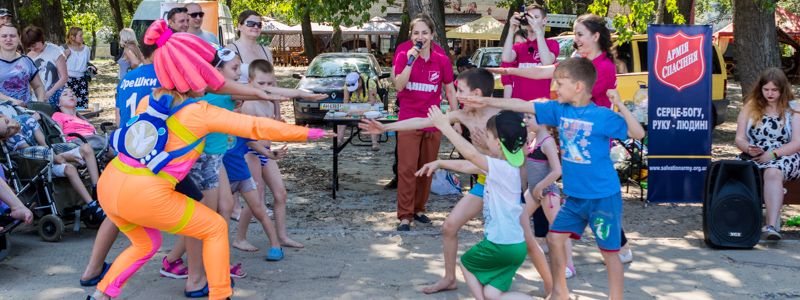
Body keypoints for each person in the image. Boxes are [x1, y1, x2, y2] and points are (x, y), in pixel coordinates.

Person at [88, 20, 326, 300]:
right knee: (213, 227)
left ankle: (101, 293)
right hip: (145, 194)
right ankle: (220, 294)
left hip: (111, 186)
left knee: (145, 244)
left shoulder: (150, 99)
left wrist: (267, 93)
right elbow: (257, 128)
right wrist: (311, 132)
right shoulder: (199, 113)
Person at [460, 57, 645, 300]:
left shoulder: (601, 116)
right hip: (576, 198)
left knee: (610, 252)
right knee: (554, 238)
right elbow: (520, 105)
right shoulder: (558, 110)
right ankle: (560, 293)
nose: (555, 87)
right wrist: (485, 99)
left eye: (560, 83)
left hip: (603, 198)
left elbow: (638, 133)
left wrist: (620, 105)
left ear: (578, 86)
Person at [360, 68, 553, 295]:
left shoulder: (501, 112)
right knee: (449, 226)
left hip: (507, 186)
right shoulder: (462, 115)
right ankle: (450, 278)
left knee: (528, 240)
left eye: (460, 90)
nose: (454, 94)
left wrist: (521, 185)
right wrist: (386, 126)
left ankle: (554, 290)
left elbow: (519, 150)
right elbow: (423, 121)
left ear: (477, 92)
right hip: (485, 180)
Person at [490, 14, 634, 263]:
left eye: (580, 34)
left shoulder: (604, 68)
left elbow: (570, 97)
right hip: (567, 135)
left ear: (595, 36)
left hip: (591, 142)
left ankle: (618, 246)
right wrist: (506, 70)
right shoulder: (579, 60)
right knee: (543, 180)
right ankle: (548, 238)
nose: (575, 39)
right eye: (575, 34)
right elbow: (547, 71)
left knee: (592, 197)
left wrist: (544, 107)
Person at [419, 107, 531, 299]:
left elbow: (471, 156)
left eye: (487, 137)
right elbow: (469, 165)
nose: (484, 141)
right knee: (492, 293)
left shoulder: (498, 167)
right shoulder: (508, 166)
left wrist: (445, 127)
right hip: (516, 246)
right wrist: (440, 163)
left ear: (497, 142)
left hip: (500, 244)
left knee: (466, 264)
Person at [235, 59, 325, 250]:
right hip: (251, 152)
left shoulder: (271, 98)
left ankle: (282, 236)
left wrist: (283, 120)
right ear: (250, 81)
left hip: (267, 152)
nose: (266, 87)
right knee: (255, 198)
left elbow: (276, 123)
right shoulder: (247, 104)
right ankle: (240, 238)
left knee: (280, 193)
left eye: (270, 83)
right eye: (261, 84)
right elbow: (245, 137)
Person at [391, 14, 457, 231]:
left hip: (432, 121)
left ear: (432, 35)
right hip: (409, 121)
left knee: (426, 168)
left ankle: (419, 209)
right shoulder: (403, 55)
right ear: (411, 36)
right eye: (416, 33)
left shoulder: (442, 60)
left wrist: (456, 118)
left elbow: (449, 89)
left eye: (424, 33)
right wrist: (411, 60)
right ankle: (405, 215)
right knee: (407, 168)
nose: (420, 37)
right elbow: (399, 86)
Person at [735, 67, 800, 241]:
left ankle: (770, 226)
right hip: (755, 154)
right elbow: (739, 138)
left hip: (784, 155)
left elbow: (796, 143)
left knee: (772, 172)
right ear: (760, 88)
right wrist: (748, 148)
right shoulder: (751, 106)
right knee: (735, 171)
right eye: (766, 89)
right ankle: (738, 223)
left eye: (774, 90)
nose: (770, 94)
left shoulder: (793, 109)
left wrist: (772, 155)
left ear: (782, 89)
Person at [0, 106, 101, 211]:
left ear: (4, 115)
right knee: (69, 168)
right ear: (5, 137)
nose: (12, 125)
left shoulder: (26, 119)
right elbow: (33, 153)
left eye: (7, 121)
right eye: (8, 130)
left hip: (49, 153)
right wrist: (59, 157)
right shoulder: (12, 140)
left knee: (86, 148)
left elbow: (44, 144)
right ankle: (92, 205)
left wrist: (60, 155)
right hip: (38, 165)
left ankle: (97, 189)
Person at [501, 3, 558, 101]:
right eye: (530, 17)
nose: (532, 21)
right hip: (519, 105)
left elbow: (547, 62)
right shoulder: (519, 46)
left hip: (540, 106)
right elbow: (506, 58)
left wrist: (538, 31)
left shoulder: (552, 44)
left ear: (544, 20)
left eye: (536, 17)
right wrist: (511, 29)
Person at [0, 24, 45, 106]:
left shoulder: (27, 61)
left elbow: (38, 86)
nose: (8, 39)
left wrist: (40, 107)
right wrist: (11, 100)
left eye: (12, 36)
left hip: (26, 112)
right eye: (4, 36)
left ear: (19, 38)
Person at [21, 25, 67, 104]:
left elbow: (64, 77)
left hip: (56, 97)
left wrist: (49, 93)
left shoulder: (55, 51)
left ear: (40, 39)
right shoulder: (29, 56)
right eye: (29, 47)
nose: (33, 49)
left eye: (34, 45)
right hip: (37, 99)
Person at [337, 71, 380, 150]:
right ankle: (339, 140)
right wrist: (344, 109)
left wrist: (360, 110)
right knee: (342, 117)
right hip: (355, 107)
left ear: (360, 80)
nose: (354, 89)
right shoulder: (347, 83)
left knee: (372, 117)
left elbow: (372, 101)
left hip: (371, 107)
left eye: (356, 86)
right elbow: (346, 100)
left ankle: (375, 143)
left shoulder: (370, 82)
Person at [64, 27, 95, 108]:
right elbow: (60, 64)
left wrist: (90, 68)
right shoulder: (64, 48)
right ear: (72, 37)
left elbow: (87, 63)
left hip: (82, 80)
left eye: (82, 35)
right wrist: (66, 56)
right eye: (80, 36)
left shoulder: (86, 49)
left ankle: (81, 120)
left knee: (82, 105)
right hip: (68, 80)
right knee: (68, 104)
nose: (82, 37)